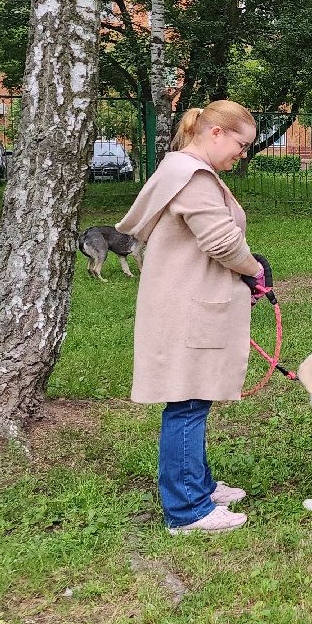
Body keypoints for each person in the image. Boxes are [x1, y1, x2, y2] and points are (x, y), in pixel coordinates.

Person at [115, 101, 266, 535]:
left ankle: (198, 485)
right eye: (241, 144)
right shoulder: (194, 177)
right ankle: (188, 510)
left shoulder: (181, 170)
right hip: (187, 308)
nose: (242, 153)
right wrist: (255, 269)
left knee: (192, 399)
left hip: (187, 302)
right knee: (187, 403)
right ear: (215, 133)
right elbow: (220, 241)